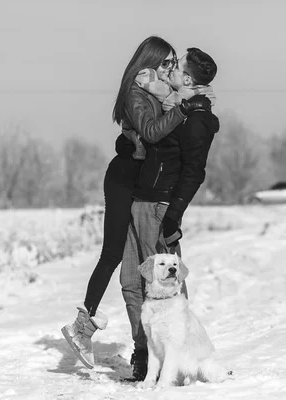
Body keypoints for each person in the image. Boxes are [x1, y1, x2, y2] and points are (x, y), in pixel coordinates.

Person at [60, 36, 210, 370]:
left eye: (175, 63)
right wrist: (185, 106)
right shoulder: (136, 92)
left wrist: (196, 101)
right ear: (150, 62)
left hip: (143, 185)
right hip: (124, 180)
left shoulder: (156, 89)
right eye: (166, 62)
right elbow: (152, 131)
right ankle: (83, 328)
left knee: (150, 270)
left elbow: (180, 110)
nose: (171, 68)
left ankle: (165, 352)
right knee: (115, 255)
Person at [119, 47, 219, 381]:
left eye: (176, 67)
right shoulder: (178, 102)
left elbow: (194, 172)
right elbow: (163, 106)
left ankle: (181, 359)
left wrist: (173, 216)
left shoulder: (196, 118)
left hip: (160, 204)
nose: (170, 70)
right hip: (141, 198)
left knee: (170, 283)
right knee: (131, 282)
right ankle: (146, 353)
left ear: (187, 79)